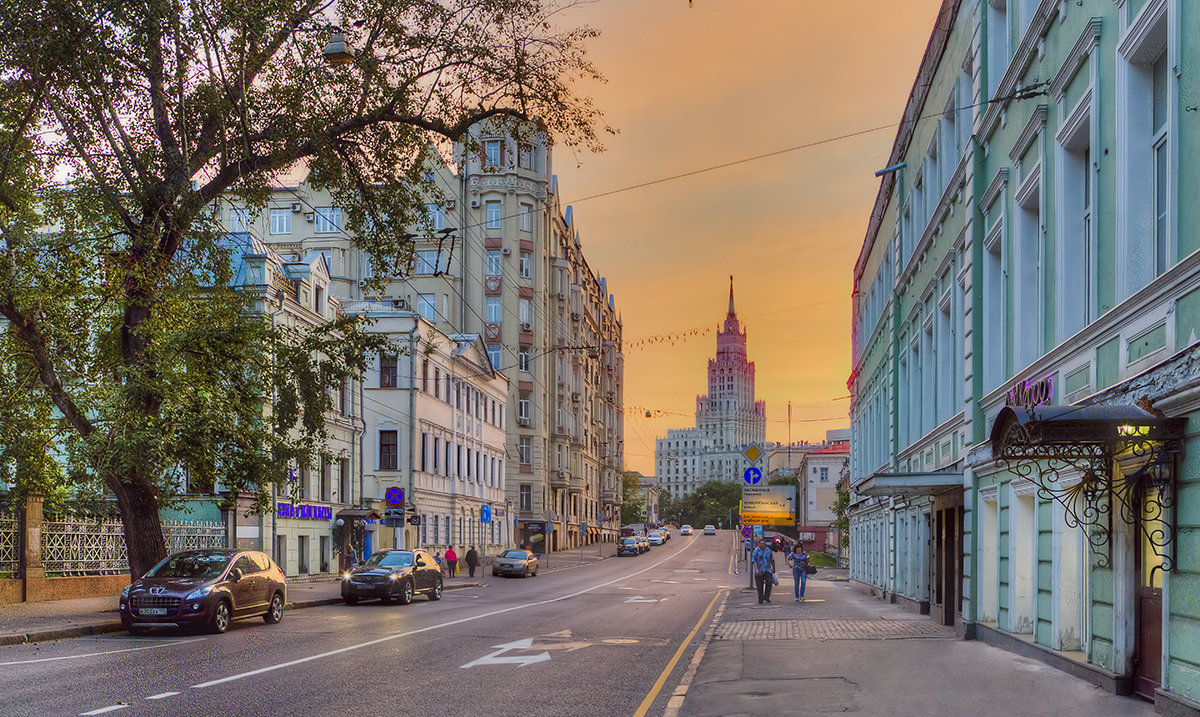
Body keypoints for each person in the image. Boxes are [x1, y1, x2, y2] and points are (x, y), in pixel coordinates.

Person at [750, 539, 775, 604]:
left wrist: (774, 568)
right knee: (759, 586)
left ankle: (766, 597)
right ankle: (760, 599)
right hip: (759, 570)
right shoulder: (756, 551)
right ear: (759, 544)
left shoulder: (768, 551)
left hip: (767, 569)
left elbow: (772, 560)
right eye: (761, 544)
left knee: (769, 582)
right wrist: (756, 569)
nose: (763, 545)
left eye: (764, 544)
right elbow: (754, 561)